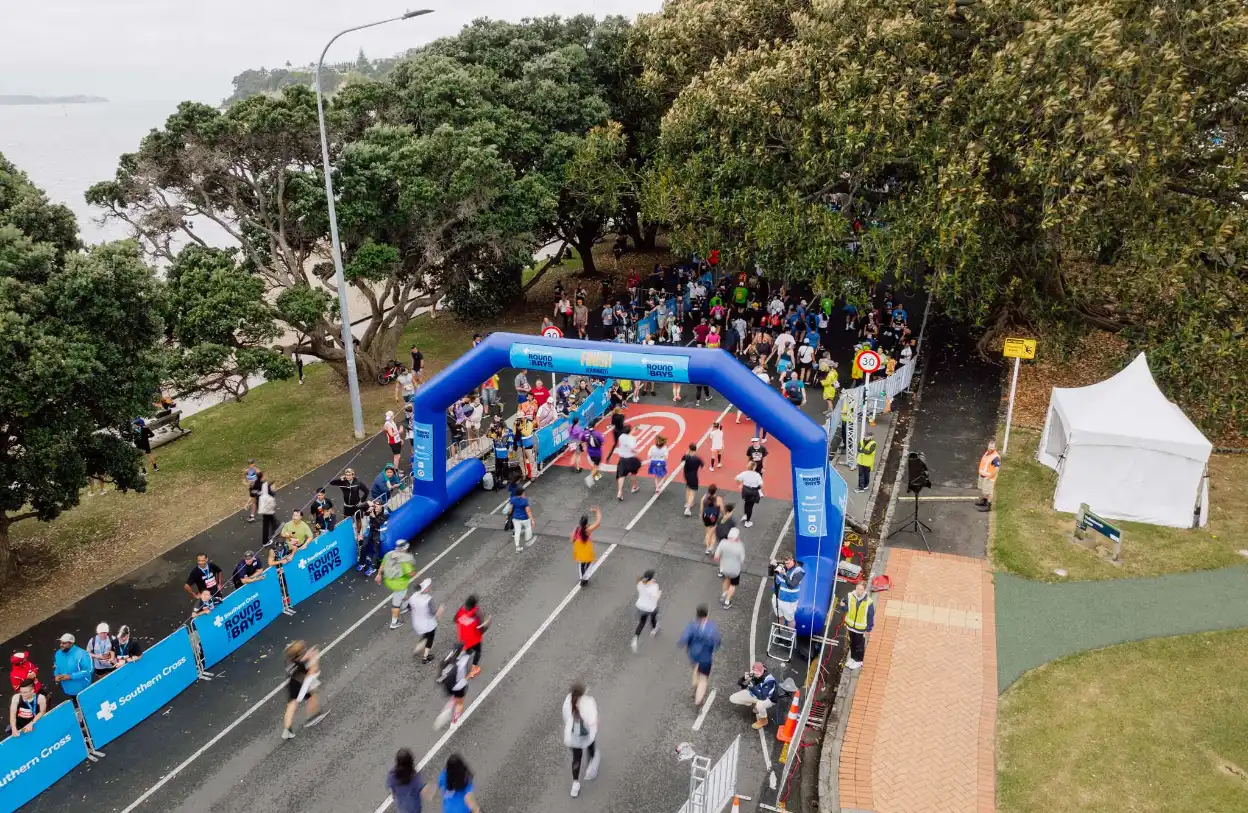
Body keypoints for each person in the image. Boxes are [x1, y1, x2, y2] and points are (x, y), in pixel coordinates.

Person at [281, 640, 328, 739]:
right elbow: (311, 671)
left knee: (291, 705)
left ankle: (287, 730)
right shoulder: (301, 665)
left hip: (292, 683)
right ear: (299, 654)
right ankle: (313, 717)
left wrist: (307, 656)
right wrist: (315, 658)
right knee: (312, 696)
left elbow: (299, 660)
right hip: (301, 683)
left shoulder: (289, 660)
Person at [562, 683, 601, 798]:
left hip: (573, 737)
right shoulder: (588, 702)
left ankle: (575, 784)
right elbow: (593, 719)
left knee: (576, 758)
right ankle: (592, 764)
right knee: (591, 748)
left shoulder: (567, 702)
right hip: (587, 735)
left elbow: (566, 717)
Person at [678, 605, 721, 706]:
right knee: (703, 678)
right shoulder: (711, 627)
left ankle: (694, 683)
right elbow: (717, 641)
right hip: (705, 656)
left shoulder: (692, 626)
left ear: (697, 615)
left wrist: (682, 643)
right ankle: (698, 699)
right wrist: (715, 647)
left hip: (693, 655)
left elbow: (684, 638)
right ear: (707, 615)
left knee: (696, 668)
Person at [378, 540, 418, 630]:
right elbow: (410, 574)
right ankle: (394, 622)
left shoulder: (389, 554)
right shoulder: (405, 561)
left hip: (388, 581)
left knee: (403, 595)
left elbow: (382, 565)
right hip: (399, 585)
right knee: (396, 605)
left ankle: (405, 606)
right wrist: (414, 571)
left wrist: (379, 574)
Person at [434, 645, 473, 730]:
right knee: (460, 703)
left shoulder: (450, 655)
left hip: (447, 683)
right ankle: (454, 722)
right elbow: (466, 674)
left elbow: (442, 666)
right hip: (457, 685)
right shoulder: (465, 659)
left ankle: (448, 708)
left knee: (454, 696)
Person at [729, 662, 777, 730]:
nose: (755, 675)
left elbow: (763, 697)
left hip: (769, 699)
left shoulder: (769, 681)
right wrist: (744, 678)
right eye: (754, 672)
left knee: (760, 705)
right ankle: (755, 703)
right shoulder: (754, 674)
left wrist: (752, 687)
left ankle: (764, 720)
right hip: (757, 694)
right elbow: (741, 685)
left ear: (762, 670)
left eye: (757, 673)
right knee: (733, 698)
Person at [840, 581, 876, 670]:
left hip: (860, 628)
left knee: (859, 644)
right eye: (858, 589)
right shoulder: (850, 596)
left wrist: (868, 629)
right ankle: (852, 658)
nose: (859, 591)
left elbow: (870, 616)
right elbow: (847, 608)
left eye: (861, 589)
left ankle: (858, 660)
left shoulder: (868, 602)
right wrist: (842, 606)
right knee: (852, 643)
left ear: (864, 590)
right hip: (850, 625)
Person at [386, 748, 434, 813]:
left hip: (401, 807)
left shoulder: (392, 775)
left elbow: (391, 788)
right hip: (414, 808)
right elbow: (425, 792)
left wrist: (394, 794)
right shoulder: (415, 777)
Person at [454, 596, 490, 680]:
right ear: (474, 604)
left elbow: (456, 619)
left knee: (466, 650)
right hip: (474, 639)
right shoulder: (477, 612)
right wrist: (487, 622)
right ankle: (473, 670)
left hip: (462, 637)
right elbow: (481, 629)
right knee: (478, 651)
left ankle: (457, 664)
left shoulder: (461, 609)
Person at [408, 578, 442, 663]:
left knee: (425, 635)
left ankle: (419, 646)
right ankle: (425, 657)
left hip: (418, 623)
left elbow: (409, 607)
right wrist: (441, 609)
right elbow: (434, 614)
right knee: (430, 637)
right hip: (428, 624)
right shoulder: (428, 599)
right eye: (429, 586)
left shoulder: (413, 597)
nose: (430, 587)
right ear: (425, 589)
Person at [329, 468, 369, 541]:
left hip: (357, 505)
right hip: (347, 506)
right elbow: (331, 483)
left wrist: (362, 501)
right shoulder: (342, 482)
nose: (348, 477)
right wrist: (339, 480)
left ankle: (358, 534)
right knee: (346, 521)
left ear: (353, 475)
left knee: (358, 520)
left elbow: (366, 491)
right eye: (346, 475)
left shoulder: (358, 482)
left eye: (349, 475)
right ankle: (347, 534)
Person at [52, 634, 93, 700]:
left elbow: (89, 670)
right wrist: (56, 674)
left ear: (71, 643)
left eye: (64, 643)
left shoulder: (82, 654)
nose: (61, 645)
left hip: (83, 689)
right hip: (68, 689)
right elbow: (57, 666)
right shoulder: (58, 653)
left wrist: (70, 676)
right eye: (61, 642)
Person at [715, 527, 746, 609]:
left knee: (726, 579)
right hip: (735, 570)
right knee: (733, 585)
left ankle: (724, 594)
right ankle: (727, 601)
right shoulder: (740, 546)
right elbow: (742, 560)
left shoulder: (723, 542)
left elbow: (717, 556)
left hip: (725, 568)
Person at [631, 570, 661, 653]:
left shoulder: (640, 584)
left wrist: (650, 583)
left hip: (641, 606)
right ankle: (654, 629)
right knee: (653, 617)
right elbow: (656, 597)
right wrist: (659, 593)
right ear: (651, 578)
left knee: (642, 622)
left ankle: (635, 639)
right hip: (650, 607)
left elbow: (645, 586)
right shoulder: (654, 586)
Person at [772, 556, 806, 627]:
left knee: (790, 619)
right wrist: (771, 566)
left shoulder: (799, 571)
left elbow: (792, 585)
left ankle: (790, 634)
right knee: (780, 617)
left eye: (788, 563)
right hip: (777, 597)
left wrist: (784, 575)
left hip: (789, 600)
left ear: (793, 560)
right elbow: (771, 574)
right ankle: (780, 631)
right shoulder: (781, 566)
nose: (786, 565)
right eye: (785, 563)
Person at [571, 508, 601, 587]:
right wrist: (597, 511)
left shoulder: (577, 529)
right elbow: (598, 523)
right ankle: (585, 578)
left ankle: (582, 578)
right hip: (587, 548)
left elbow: (572, 540)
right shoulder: (588, 530)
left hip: (579, 548)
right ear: (586, 523)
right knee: (589, 562)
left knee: (581, 563)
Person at [614, 426, 641, 500]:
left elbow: (627, 437)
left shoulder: (621, 437)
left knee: (621, 475)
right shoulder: (632, 439)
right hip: (631, 459)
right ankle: (634, 486)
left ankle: (619, 492)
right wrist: (636, 451)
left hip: (622, 459)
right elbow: (632, 448)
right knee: (633, 473)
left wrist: (632, 432)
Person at [976, 439, 1000, 512]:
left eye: (992, 447)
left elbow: (997, 469)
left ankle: (989, 507)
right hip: (983, 475)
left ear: (995, 448)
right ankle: (984, 502)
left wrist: (989, 477)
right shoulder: (987, 452)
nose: (990, 448)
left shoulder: (995, 457)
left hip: (989, 478)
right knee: (984, 490)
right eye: (989, 446)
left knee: (989, 492)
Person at [700, 485, 724, 554]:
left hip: (706, 516)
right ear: (715, 491)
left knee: (707, 532)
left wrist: (702, 516)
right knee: (713, 532)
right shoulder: (718, 499)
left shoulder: (704, 497)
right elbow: (722, 510)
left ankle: (707, 548)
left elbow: (702, 509)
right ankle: (711, 547)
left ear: (708, 491)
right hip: (714, 518)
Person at [510, 486, 535, 552]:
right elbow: (528, 511)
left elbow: (511, 509)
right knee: (528, 528)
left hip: (515, 518)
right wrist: (532, 519)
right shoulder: (524, 501)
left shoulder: (513, 499)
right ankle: (528, 540)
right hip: (525, 519)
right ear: (522, 493)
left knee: (517, 532)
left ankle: (517, 547)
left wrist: (509, 515)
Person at [682, 443, 704, 517]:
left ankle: (687, 502)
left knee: (688, 488)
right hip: (693, 476)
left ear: (689, 449)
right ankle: (688, 508)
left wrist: (687, 453)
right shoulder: (698, 459)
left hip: (686, 475)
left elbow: (682, 459)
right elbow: (702, 466)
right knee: (692, 491)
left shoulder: (686, 457)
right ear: (696, 450)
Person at [256, 474, 279, 545]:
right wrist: (273, 489)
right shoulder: (265, 486)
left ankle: (276, 528)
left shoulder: (256, 484)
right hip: (267, 507)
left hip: (262, 506)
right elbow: (272, 494)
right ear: (262, 477)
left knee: (271, 518)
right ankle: (265, 541)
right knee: (266, 522)